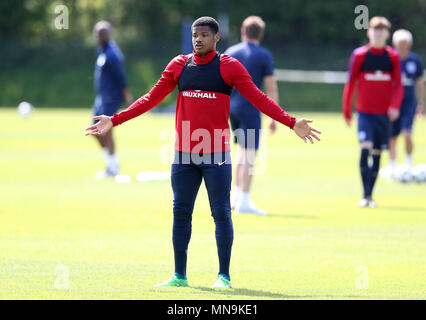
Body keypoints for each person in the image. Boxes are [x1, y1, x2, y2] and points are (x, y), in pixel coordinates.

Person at [86, 17, 321, 289]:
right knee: (180, 212)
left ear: (216, 38)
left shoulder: (229, 67)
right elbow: (150, 99)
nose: (198, 39)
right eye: (195, 35)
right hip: (184, 154)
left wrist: (291, 122)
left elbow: (258, 97)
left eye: (205, 35)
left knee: (221, 213)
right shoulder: (179, 66)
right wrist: (114, 120)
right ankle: (179, 275)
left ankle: (223, 276)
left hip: (216, 154)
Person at [342, 16, 403, 208]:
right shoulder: (359, 55)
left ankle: (370, 196)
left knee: (377, 152)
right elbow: (351, 83)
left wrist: (395, 106)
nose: (378, 34)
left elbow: (399, 85)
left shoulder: (392, 57)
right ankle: (364, 195)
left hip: (383, 115)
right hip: (365, 113)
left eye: (381, 31)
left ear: (387, 34)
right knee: (365, 147)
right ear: (369, 33)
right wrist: (347, 111)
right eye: (374, 31)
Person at [225, 16, 278, 215]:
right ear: (261, 34)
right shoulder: (264, 55)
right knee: (249, 154)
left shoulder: (231, 51)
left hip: (232, 108)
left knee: (241, 153)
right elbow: (271, 88)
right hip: (250, 109)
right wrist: (273, 117)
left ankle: (236, 197)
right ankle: (245, 201)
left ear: (243, 31)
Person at [92, 21, 132, 178]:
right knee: (95, 130)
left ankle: (113, 168)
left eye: (102, 32)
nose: (99, 35)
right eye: (97, 32)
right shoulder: (101, 51)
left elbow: (120, 76)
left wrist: (126, 93)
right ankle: (111, 163)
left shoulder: (112, 53)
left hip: (110, 97)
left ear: (108, 34)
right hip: (101, 97)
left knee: (107, 130)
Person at [389, 29, 424, 173]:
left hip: (409, 104)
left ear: (409, 45)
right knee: (392, 137)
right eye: (399, 44)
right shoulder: (389, 59)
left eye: (405, 44)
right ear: (394, 44)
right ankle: (392, 167)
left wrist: (422, 103)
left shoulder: (415, 61)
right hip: (392, 104)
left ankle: (408, 165)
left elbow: (420, 83)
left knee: (407, 134)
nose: (402, 47)